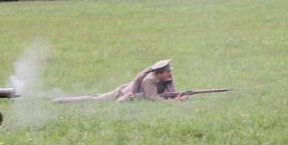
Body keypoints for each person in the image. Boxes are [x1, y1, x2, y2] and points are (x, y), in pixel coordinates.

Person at [53, 59, 187, 103]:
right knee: (96, 99)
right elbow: (153, 99)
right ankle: (63, 100)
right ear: (159, 73)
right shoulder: (149, 81)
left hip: (134, 96)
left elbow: (169, 93)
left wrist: (177, 97)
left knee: (97, 96)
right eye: (167, 72)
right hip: (122, 93)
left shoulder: (168, 78)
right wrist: (174, 103)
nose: (170, 74)